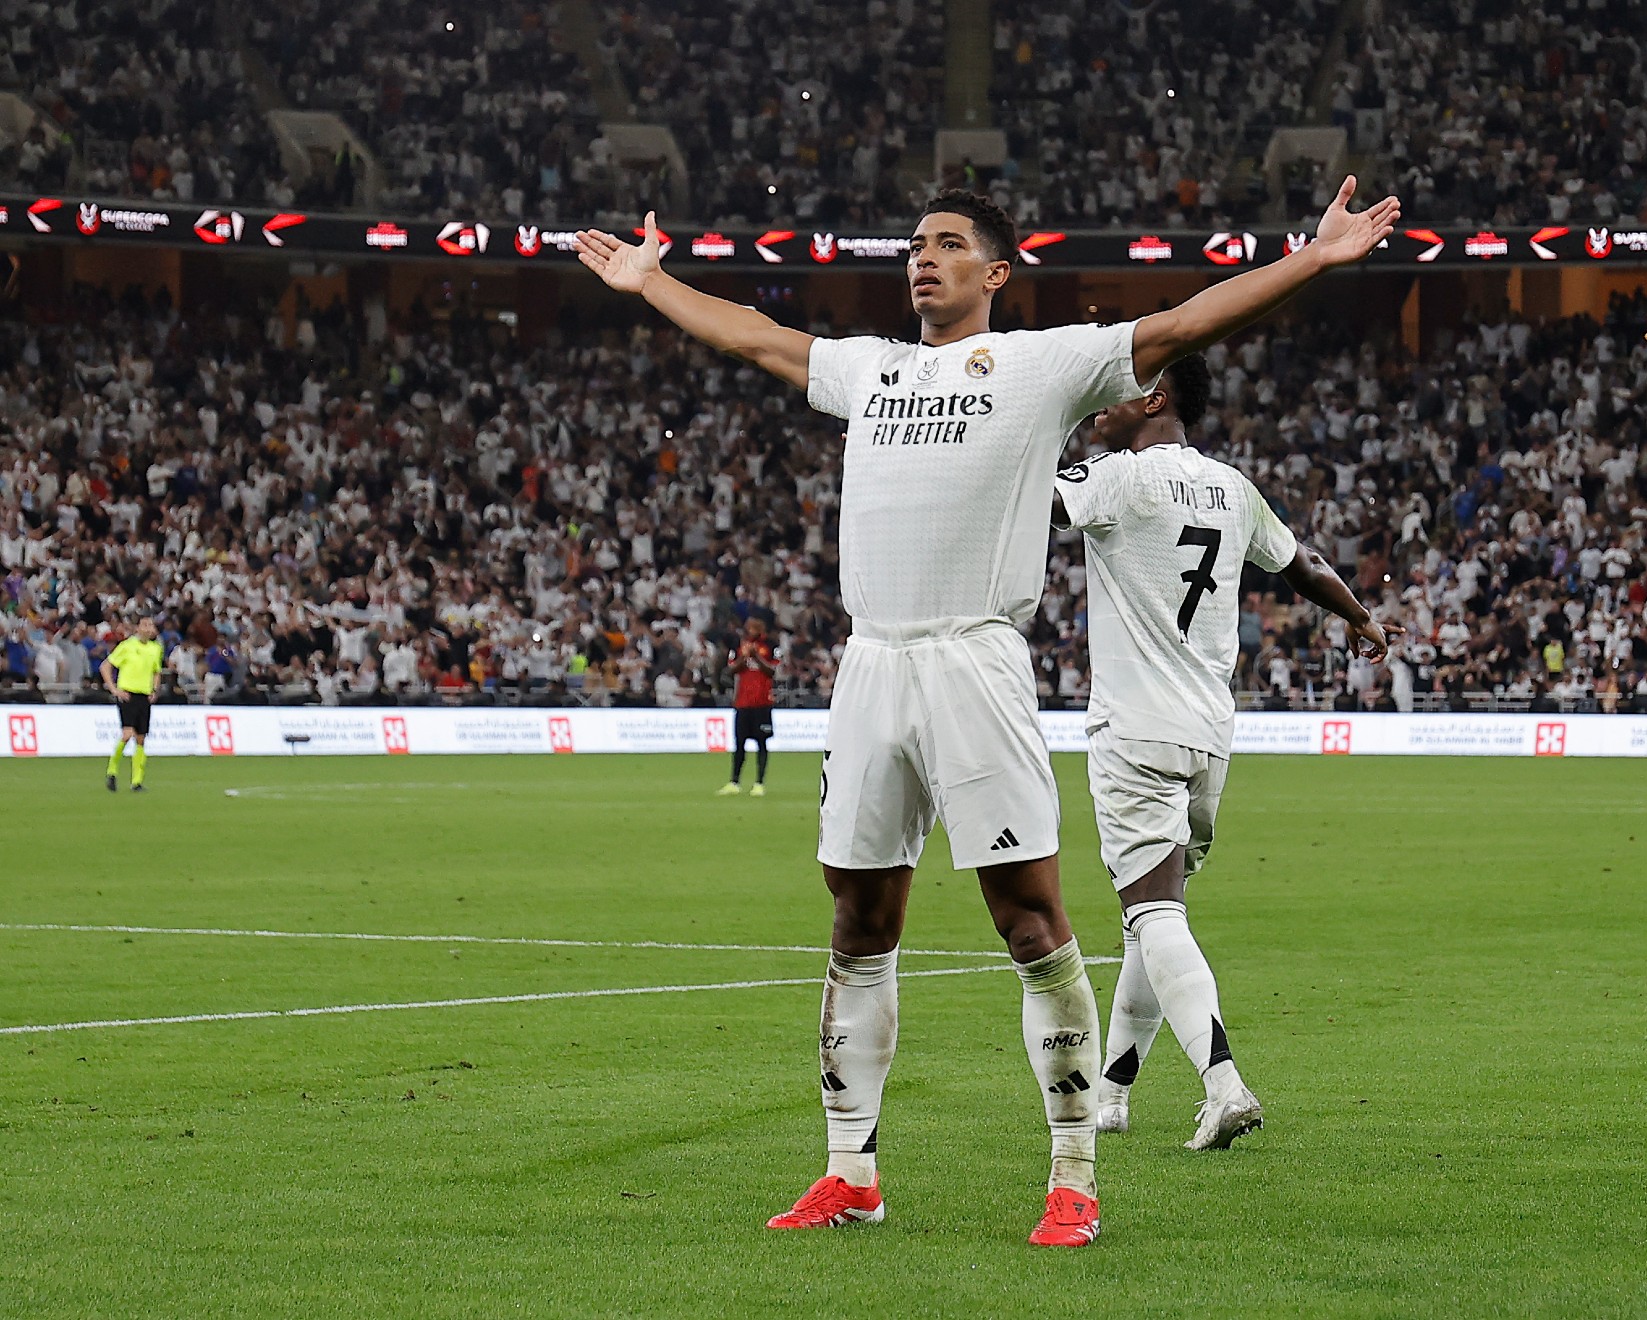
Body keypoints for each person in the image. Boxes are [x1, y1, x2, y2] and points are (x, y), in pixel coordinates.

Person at [574, 176, 1399, 1246]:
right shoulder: (872, 371)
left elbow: (1189, 320)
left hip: (976, 662)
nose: (924, 257)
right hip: (870, 668)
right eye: (916, 243)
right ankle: (850, 1172)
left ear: (996, 273)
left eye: (950, 243)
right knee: (858, 924)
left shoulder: (1042, 363)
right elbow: (758, 338)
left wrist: (1312, 260)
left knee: (1031, 923)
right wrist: (653, 282)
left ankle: (1072, 1178)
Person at [1051, 353, 1401, 1150]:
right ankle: (1111, 1092)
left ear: (1155, 398)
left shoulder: (1119, 478)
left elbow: (1035, 501)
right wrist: (1362, 618)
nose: (1103, 400)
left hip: (1134, 728)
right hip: (1209, 735)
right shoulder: (1231, 487)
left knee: (1153, 912)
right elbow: (1302, 563)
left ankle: (1224, 1083)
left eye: (1118, 387)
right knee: (1155, 916)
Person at [101, 617, 166, 793]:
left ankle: (137, 782)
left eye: (151, 625)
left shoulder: (155, 649)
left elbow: (156, 671)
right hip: (128, 694)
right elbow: (105, 666)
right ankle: (112, 771)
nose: (148, 628)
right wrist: (114, 689)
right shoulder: (127, 646)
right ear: (137, 628)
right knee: (127, 733)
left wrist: (154, 689)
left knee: (141, 738)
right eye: (145, 625)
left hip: (144, 697)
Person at [719, 617, 777, 796]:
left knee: (762, 742)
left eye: (753, 627)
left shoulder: (770, 646)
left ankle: (759, 783)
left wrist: (756, 657)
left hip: (762, 702)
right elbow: (730, 671)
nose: (749, 630)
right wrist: (744, 658)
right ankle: (734, 782)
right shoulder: (738, 646)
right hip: (742, 702)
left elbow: (772, 671)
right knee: (739, 743)